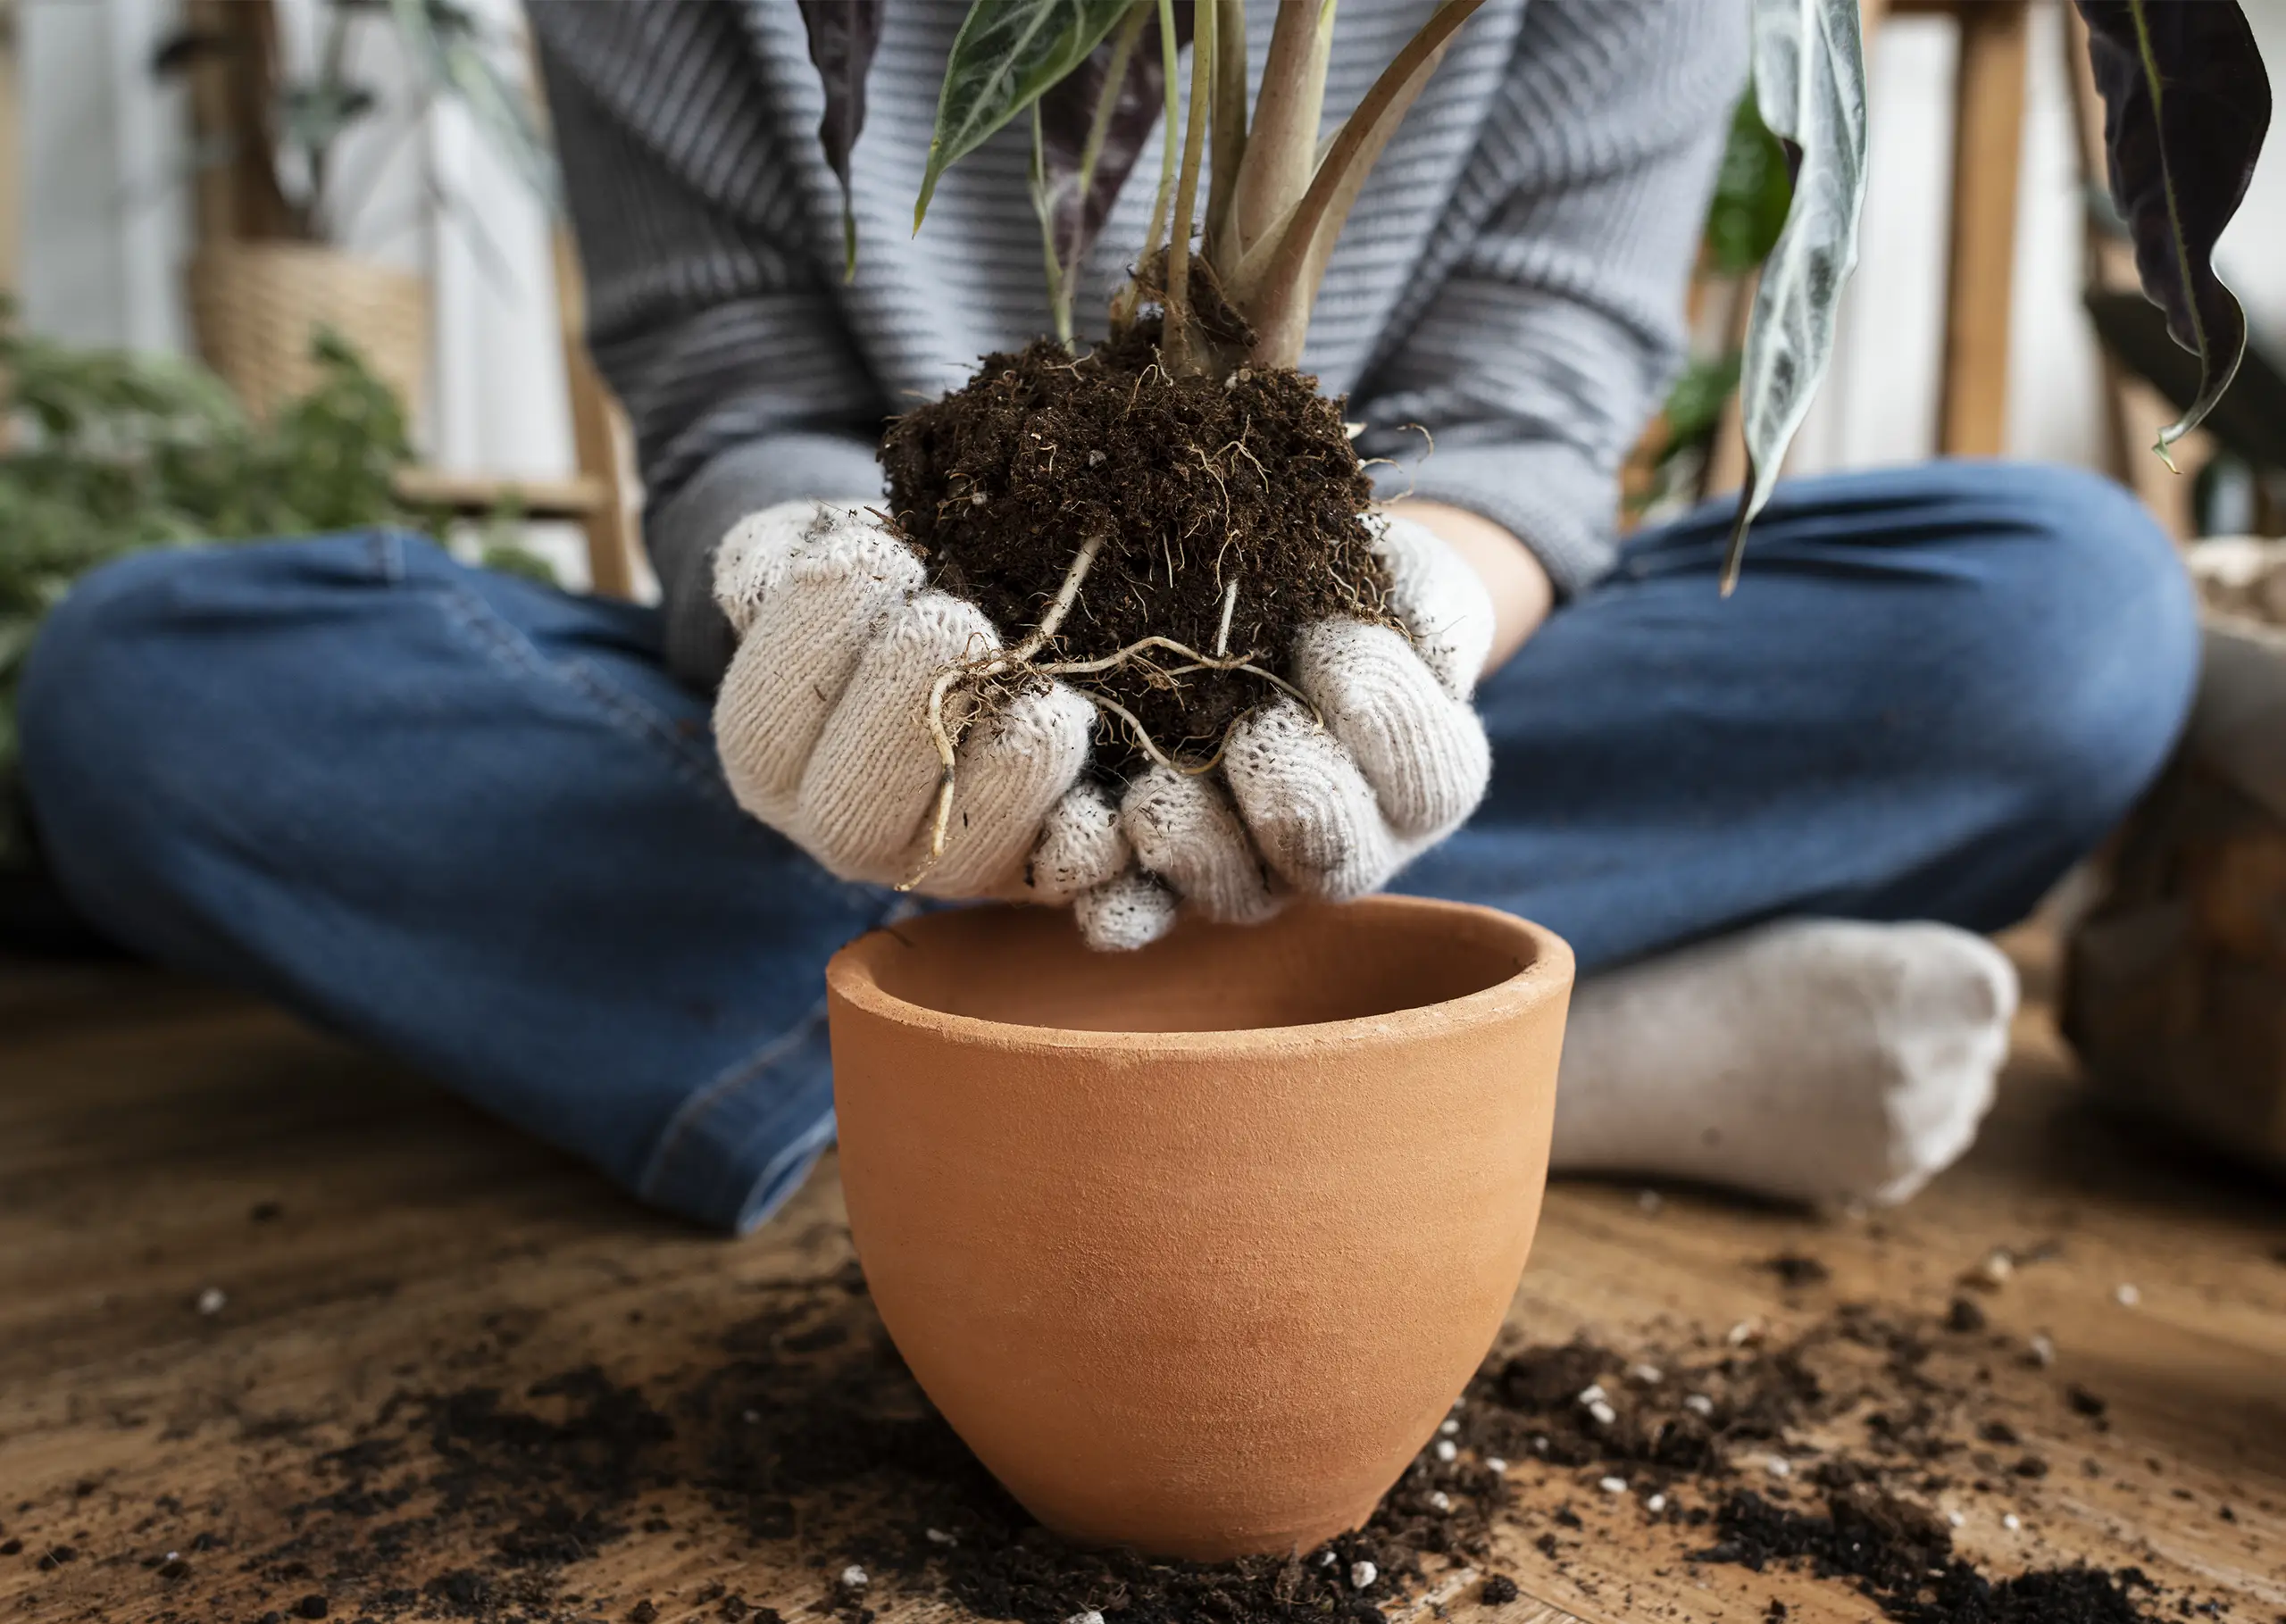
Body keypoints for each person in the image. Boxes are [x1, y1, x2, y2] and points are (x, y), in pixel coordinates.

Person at [17, 0, 2197, 1231]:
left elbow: (1529, 405)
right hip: (898, 723)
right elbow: (737, 400)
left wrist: (1410, 615)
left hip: (1346, 711)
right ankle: (1502, 1054)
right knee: (142, 690)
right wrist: (806, 623)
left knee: (2062, 612)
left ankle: (971, 1061)